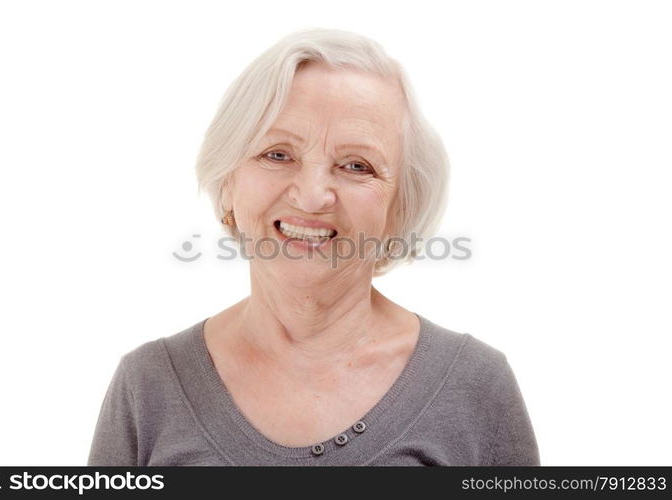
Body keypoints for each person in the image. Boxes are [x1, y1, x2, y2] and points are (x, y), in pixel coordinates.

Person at [88, 28, 539, 466]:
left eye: (356, 165)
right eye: (278, 154)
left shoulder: (476, 386)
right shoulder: (147, 386)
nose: (311, 196)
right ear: (228, 183)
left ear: (400, 206)